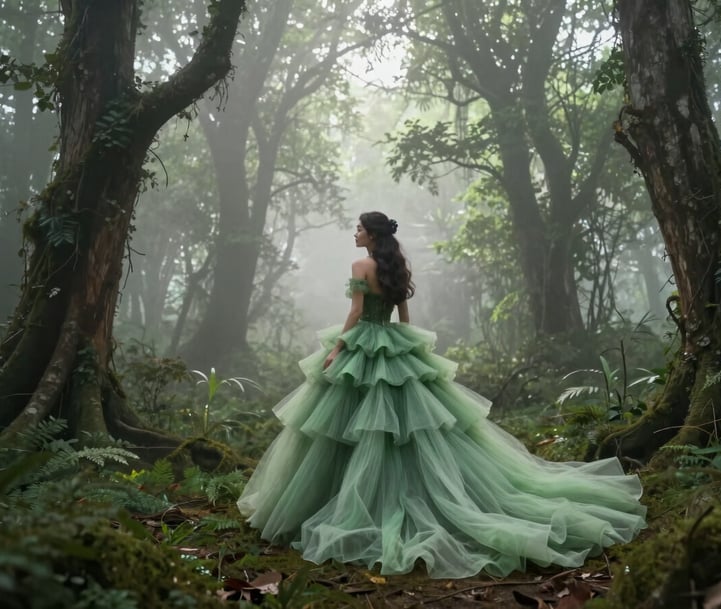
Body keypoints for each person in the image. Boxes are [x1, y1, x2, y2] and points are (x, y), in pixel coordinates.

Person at [237, 211, 646, 579]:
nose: (355, 233)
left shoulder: (361, 265)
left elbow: (358, 313)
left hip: (363, 343)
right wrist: (409, 346)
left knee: (346, 425)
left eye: (359, 228)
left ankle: (348, 502)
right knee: (401, 427)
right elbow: (403, 315)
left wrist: (339, 349)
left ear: (372, 234)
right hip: (395, 343)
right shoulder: (394, 266)